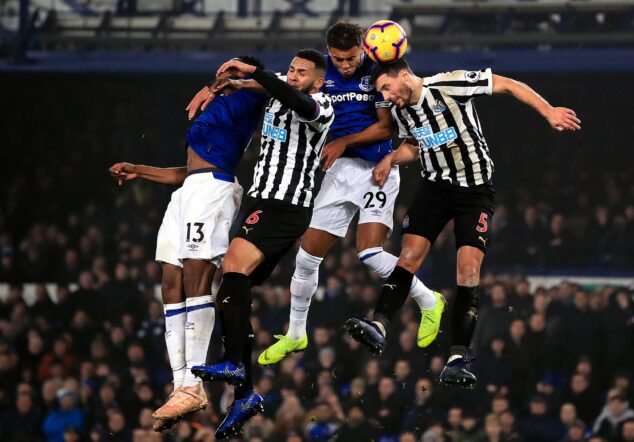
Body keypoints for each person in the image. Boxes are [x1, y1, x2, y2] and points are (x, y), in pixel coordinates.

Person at [186, 22, 444, 364]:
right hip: (337, 171)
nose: (345, 65)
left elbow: (386, 127)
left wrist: (344, 140)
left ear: (362, 51)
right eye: (338, 59)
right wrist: (223, 85)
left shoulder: (376, 72)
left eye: (351, 58)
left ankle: (429, 300)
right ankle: (295, 334)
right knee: (307, 257)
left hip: (375, 170)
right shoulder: (320, 71)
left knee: (369, 252)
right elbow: (278, 86)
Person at [343, 57, 581, 388]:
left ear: (404, 76)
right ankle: (379, 324)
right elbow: (416, 145)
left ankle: (458, 358)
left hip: (475, 192)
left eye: (386, 87)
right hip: (435, 188)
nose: (385, 96)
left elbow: (509, 84)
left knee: (468, 271)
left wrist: (548, 111)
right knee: (409, 256)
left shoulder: (449, 84)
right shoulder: (400, 111)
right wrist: (391, 156)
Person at [108, 55, 269, 431]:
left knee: (198, 278)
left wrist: (243, 80)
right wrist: (140, 170)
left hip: (214, 190)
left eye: (231, 71)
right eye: (221, 72)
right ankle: (182, 383)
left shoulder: (250, 95)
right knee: (169, 282)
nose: (221, 75)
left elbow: (288, 84)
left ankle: (194, 382)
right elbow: (189, 171)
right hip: (189, 191)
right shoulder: (214, 104)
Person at [189, 49, 334, 439]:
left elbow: (296, 99)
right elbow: (265, 88)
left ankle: (234, 361)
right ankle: (245, 395)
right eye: (291, 69)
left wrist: (255, 72)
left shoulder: (321, 105)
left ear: (319, 81)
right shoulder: (276, 92)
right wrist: (225, 84)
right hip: (261, 201)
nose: (294, 76)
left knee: (232, 269)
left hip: (284, 206)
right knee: (232, 293)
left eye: (302, 72)